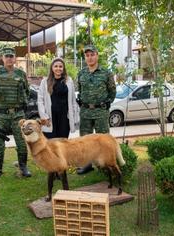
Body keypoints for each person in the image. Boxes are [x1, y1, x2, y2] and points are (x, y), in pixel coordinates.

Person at [0, 47, 31, 179]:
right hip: (1, 115)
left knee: (22, 142)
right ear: (2, 58)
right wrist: (2, 106)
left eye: (11, 56)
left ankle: (23, 166)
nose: (9, 59)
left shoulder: (21, 74)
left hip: (18, 115)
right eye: (7, 56)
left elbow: (27, 92)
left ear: (15, 58)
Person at [76, 45, 116, 175]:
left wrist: (106, 104)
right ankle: (87, 165)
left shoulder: (106, 73)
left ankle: (105, 164)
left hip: (100, 112)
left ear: (97, 55)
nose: (90, 57)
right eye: (87, 55)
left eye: (92, 54)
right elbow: (80, 91)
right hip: (86, 112)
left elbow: (112, 92)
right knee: (85, 141)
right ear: (85, 58)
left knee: (103, 140)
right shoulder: (81, 73)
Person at [37, 58, 78, 139]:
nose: (58, 68)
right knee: (51, 143)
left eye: (60, 66)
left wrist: (73, 116)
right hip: (50, 117)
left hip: (64, 118)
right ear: (52, 68)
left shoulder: (69, 81)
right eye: (56, 66)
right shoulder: (45, 82)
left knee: (63, 142)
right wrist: (44, 117)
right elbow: (40, 101)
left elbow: (73, 101)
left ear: (63, 68)